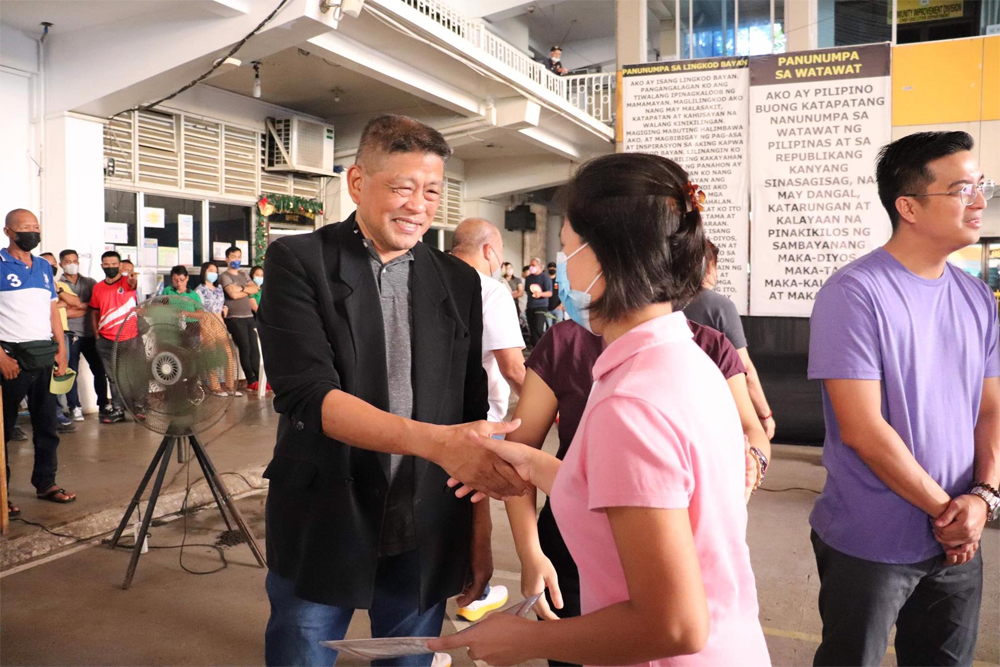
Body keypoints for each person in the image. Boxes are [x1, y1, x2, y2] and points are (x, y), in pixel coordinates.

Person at [430, 153, 770, 666]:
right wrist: (531, 463)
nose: (561, 267)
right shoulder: (683, 361)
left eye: (566, 249)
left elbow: (674, 625)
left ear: (604, 256)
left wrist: (525, 641)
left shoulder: (632, 404)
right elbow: (655, 496)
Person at [256, 114, 528, 667]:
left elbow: (470, 409)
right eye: (402, 187)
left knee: (409, 656)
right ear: (358, 183)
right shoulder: (299, 262)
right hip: (325, 507)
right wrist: (435, 442)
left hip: (425, 516)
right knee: (303, 646)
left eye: (431, 191)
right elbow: (308, 394)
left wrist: (478, 534)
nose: (418, 205)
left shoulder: (456, 281)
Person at [807, 131, 999, 666]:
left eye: (981, 186)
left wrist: (982, 499)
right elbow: (864, 430)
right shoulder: (855, 293)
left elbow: (990, 412)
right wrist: (949, 514)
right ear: (908, 206)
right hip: (872, 541)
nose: (980, 201)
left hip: (961, 537)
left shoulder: (975, 296)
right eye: (963, 189)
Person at [451, 217, 529, 622]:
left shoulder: (427, 276)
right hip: (480, 421)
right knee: (476, 506)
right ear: (488, 251)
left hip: (426, 422)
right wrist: (547, 408)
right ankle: (473, 595)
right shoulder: (490, 290)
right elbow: (514, 369)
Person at [1, 209, 77, 516]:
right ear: (8, 231)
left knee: (47, 426)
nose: (33, 232)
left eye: (36, 226)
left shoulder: (45, 267)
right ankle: (1, 494)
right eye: (26, 228)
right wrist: (1, 357)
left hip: (44, 356)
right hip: (11, 360)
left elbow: (52, 312)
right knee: (2, 431)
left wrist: (61, 349)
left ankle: (46, 483)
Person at [684, 239, 775, 439]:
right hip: (716, 415)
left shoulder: (659, 305)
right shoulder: (719, 306)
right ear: (709, 267)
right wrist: (764, 414)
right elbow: (745, 369)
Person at [58, 249, 111, 420]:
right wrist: (83, 307)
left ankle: (103, 404)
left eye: (74, 260)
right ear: (61, 264)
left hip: (91, 333)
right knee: (72, 372)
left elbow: (95, 307)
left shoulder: (90, 283)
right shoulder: (58, 285)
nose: (72, 264)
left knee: (99, 370)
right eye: (67, 261)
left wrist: (74, 306)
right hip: (71, 334)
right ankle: (75, 407)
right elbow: (61, 312)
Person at [89, 250, 139, 424]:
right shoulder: (97, 287)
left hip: (129, 337)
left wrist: (132, 279)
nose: (110, 267)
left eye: (114, 264)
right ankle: (118, 409)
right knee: (113, 376)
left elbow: (133, 284)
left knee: (131, 373)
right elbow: (94, 312)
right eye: (107, 264)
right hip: (105, 339)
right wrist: (97, 335)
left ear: (119, 265)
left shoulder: (127, 282)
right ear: (102, 265)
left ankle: (138, 408)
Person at [40, 252, 76, 432]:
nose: (51, 267)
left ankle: (58, 413)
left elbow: (76, 303)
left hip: (62, 335)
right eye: (47, 264)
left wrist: (59, 294)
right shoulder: (36, 285)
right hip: (41, 336)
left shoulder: (61, 285)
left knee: (60, 374)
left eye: (54, 264)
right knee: (41, 377)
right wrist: (59, 304)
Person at [218, 246, 261, 392]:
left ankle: (260, 380)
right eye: (233, 257)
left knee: (254, 348)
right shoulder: (224, 276)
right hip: (234, 318)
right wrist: (245, 290)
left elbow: (255, 288)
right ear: (227, 259)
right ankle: (251, 380)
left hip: (249, 316)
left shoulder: (244, 274)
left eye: (239, 257)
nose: (236, 260)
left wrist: (240, 289)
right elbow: (233, 295)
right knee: (245, 347)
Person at [196, 261, 238, 397]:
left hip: (219, 321)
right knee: (212, 354)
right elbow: (198, 310)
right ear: (204, 272)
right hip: (206, 321)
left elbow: (222, 304)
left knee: (228, 354)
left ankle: (230, 386)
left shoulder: (219, 288)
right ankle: (215, 386)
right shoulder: (199, 290)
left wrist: (225, 309)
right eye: (210, 271)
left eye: (215, 271)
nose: (213, 274)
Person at [524, 257, 553, 347]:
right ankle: (534, 349)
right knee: (532, 330)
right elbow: (527, 291)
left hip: (541, 306)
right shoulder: (528, 278)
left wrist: (540, 294)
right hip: (530, 306)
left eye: (533, 265)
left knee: (538, 329)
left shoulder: (545, 277)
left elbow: (549, 293)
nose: (531, 267)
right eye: (530, 265)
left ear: (540, 266)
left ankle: (545, 347)